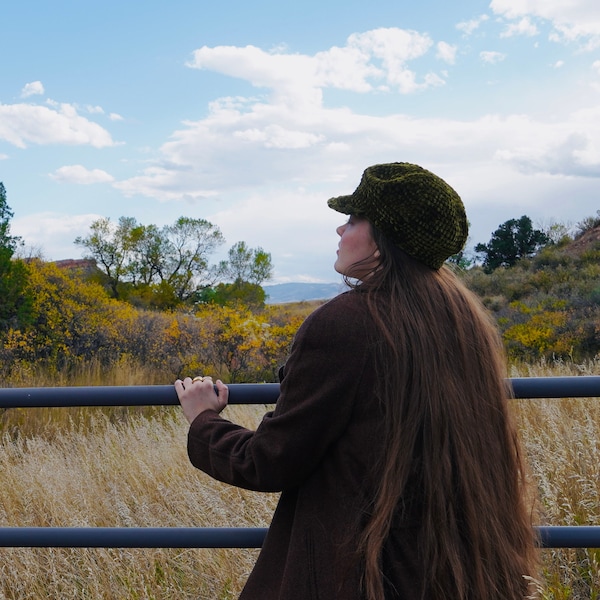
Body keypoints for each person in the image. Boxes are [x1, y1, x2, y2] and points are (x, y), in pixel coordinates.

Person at [175, 162, 539, 599]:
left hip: (362, 572)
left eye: (352, 219)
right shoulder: (460, 317)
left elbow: (271, 460)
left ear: (382, 239)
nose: (340, 230)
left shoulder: (345, 323)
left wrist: (203, 421)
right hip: (447, 568)